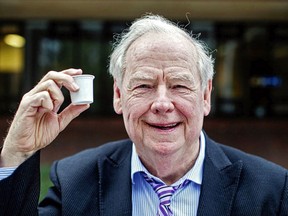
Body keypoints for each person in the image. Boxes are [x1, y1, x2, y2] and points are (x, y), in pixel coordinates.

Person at [0, 14, 287, 216]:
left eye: (179, 85)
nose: (162, 103)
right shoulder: (74, 181)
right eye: (144, 85)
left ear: (205, 95)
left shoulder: (271, 190)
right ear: (118, 95)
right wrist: (18, 150)